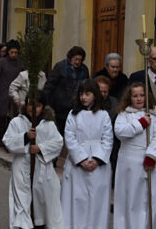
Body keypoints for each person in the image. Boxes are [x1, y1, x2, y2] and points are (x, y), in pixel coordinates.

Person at [2, 93, 64, 229]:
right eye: (31, 104)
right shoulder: (17, 122)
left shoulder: (48, 124)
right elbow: (8, 141)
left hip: (42, 172)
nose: (34, 108)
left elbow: (58, 143)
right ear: (26, 105)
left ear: (43, 107)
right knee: (23, 205)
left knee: (42, 207)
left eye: (38, 105)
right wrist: (25, 137)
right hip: (22, 171)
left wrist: (40, 148)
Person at [60, 79, 113, 229]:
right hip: (78, 164)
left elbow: (108, 139)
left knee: (97, 201)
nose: (84, 97)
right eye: (81, 94)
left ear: (95, 95)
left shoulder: (103, 115)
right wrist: (81, 159)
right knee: (77, 199)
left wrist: (97, 160)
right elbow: (69, 137)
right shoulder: (73, 114)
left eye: (87, 94)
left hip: (98, 165)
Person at [113, 82, 156, 229]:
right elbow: (120, 132)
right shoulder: (124, 114)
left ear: (147, 96)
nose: (138, 99)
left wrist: (152, 155)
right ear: (129, 98)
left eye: (142, 95)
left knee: (150, 199)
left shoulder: (155, 114)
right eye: (135, 96)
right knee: (131, 199)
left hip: (149, 162)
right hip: (129, 163)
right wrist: (140, 124)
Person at [44, 46, 89, 136]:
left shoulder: (84, 70)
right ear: (70, 57)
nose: (77, 62)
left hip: (76, 107)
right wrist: (47, 103)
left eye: (80, 60)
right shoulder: (60, 67)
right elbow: (50, 85)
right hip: (60, 107)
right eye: (75, 59)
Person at [0, 40, 24, 144]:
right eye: (11, 52)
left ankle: (12, 141)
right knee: (3, 117)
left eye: (15, 53)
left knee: (14, 118)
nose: (13, 55)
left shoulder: (21, 63)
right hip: (3, 92)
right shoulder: (2, 62)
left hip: (16, 93)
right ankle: (1, 139)